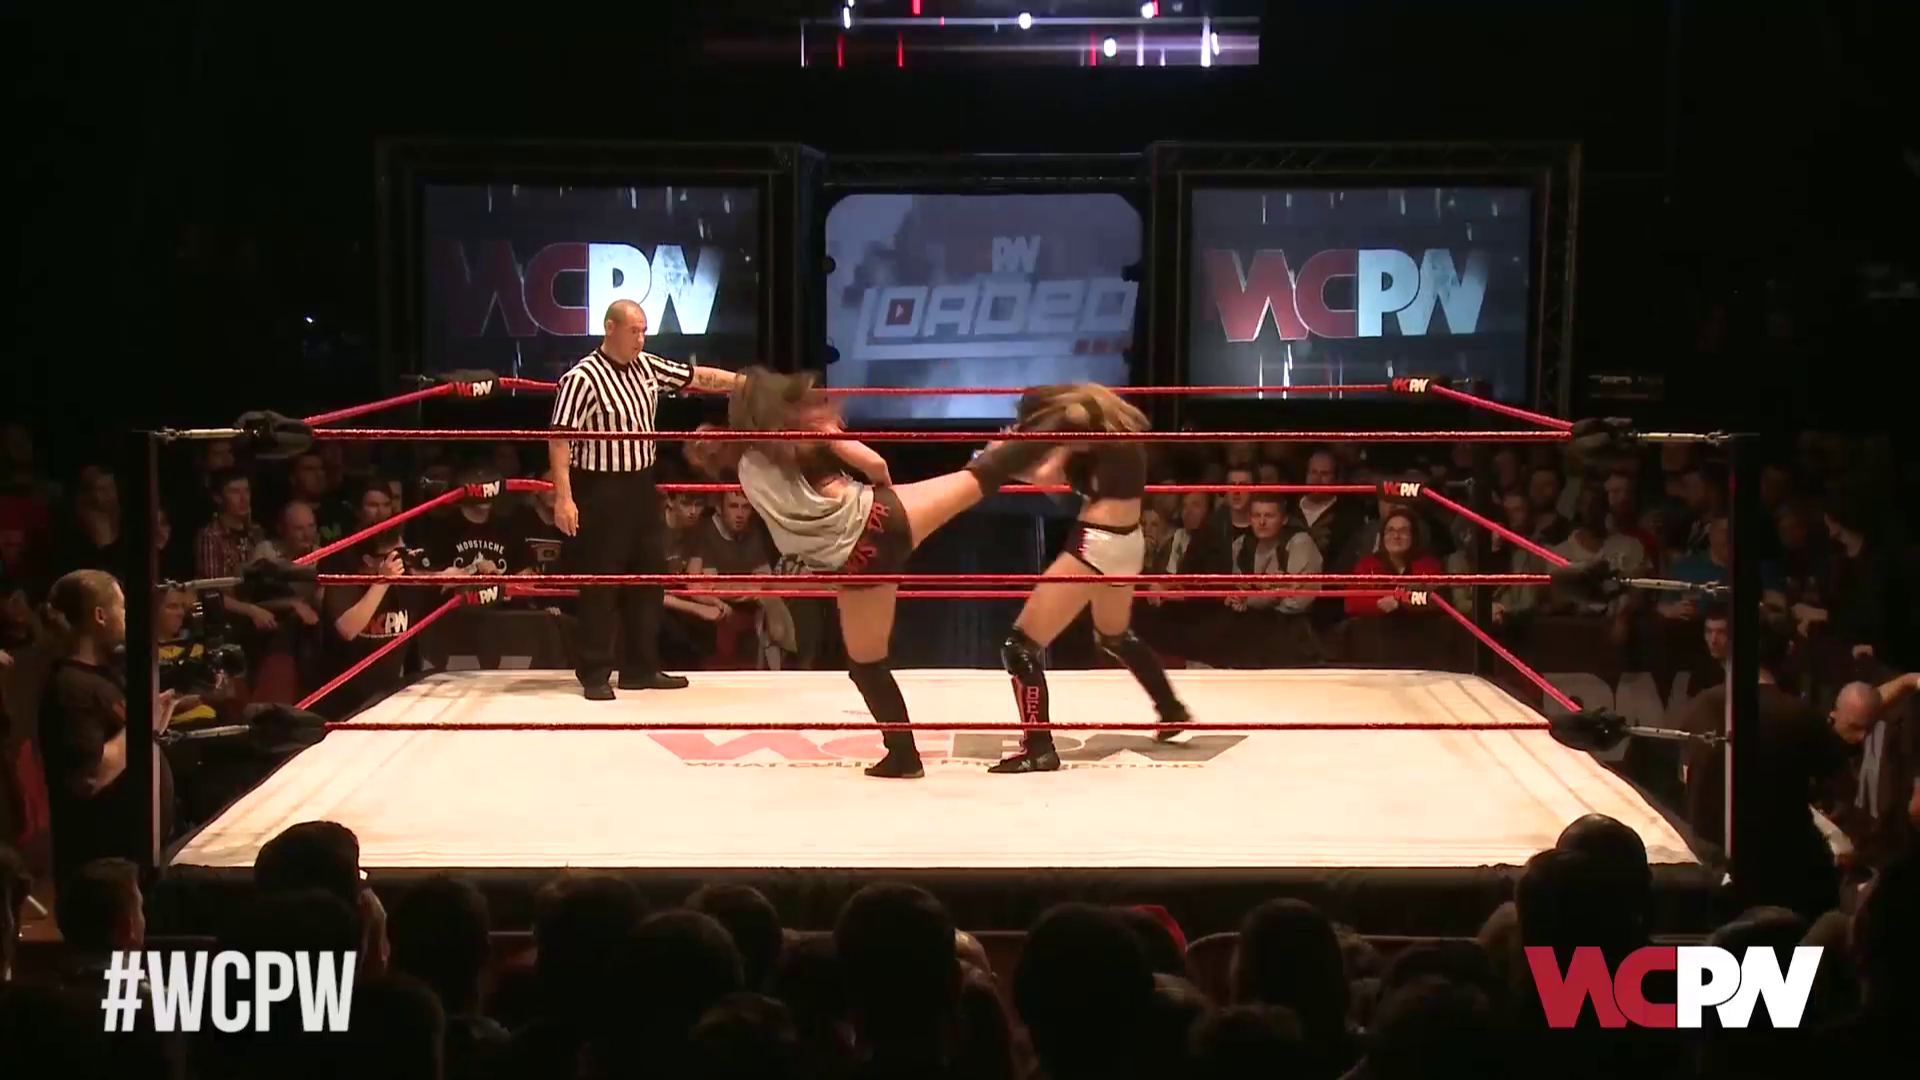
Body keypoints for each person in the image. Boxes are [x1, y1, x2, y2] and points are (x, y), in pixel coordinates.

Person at [687, 367, 1060, 779]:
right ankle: (1061, 422)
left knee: (866, 664)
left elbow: (728, 423)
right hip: (882, 519)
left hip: (855, 556)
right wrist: (884, 497)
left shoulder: (750, 462)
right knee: (978, 476)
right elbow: (876, 463)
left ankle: (903, 755)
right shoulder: (804, 434)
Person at [986, 385, 1191, 775]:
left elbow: (1047, 475)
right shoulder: (1113, 429)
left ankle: (1039, 747)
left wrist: (1003, 454)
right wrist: (1007, 461)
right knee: (1114, 636)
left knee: (1020, 647)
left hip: (1096, 543)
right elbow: (1056, 483)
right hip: (1128, 542)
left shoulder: (1078, 419)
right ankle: (1171, 708)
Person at [548, 299, 743, 701]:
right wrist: (563, 498)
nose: (640, 339)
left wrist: (743, 384)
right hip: (599, 488)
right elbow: (559, 437)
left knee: (649, 577)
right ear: (610, 328)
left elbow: (696, 376)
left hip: (640, 484)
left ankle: (640, 669)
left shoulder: (647, 366)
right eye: (633, 331)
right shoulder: (582, 377)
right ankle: (595, 674)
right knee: (601, 583)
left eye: (643, 331)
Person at [35, 570, 189, 884]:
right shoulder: (70, 687)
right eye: (121, 608)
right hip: (107, 871)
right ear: (100, 616)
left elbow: (133, 738)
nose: (128, 617)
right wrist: (143, 723)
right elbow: (90, 777)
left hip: (135, 860)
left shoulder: (105, 675)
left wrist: (167, 703)